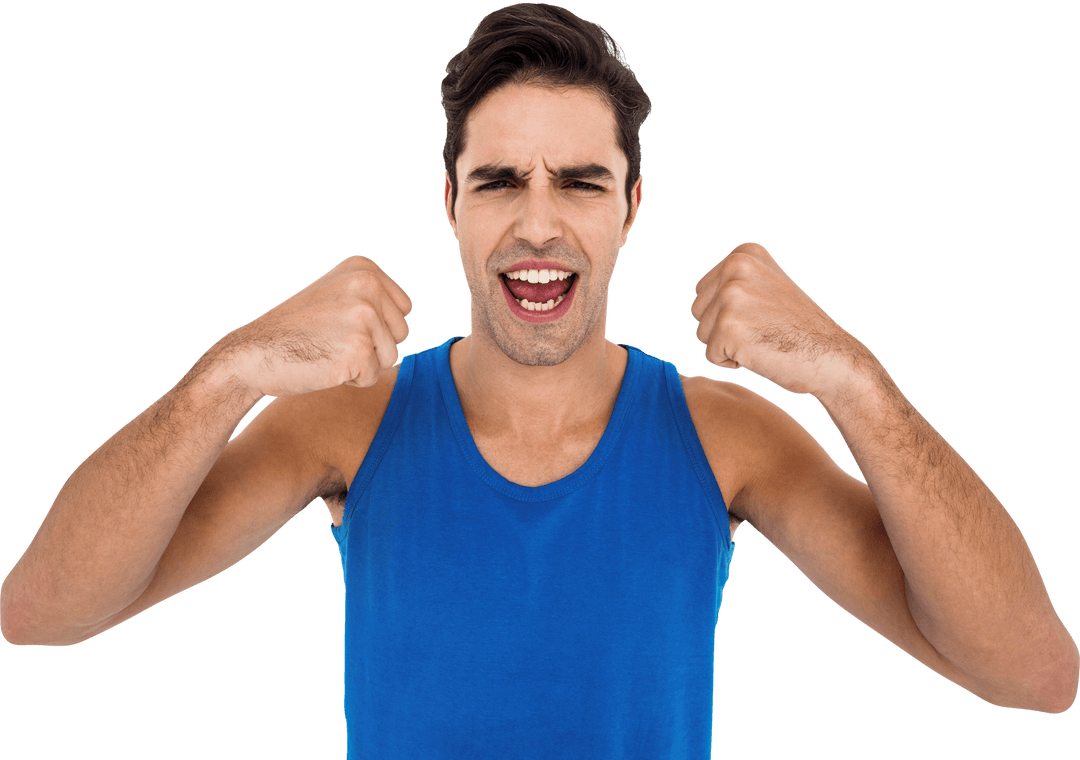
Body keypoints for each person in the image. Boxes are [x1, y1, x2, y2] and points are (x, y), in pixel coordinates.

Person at [1, 2, 1076, 757]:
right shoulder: (350, 426)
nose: (538, 222)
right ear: (451, 204)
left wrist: (859, 383)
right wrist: (227, 371)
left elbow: (1033, 675)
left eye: (580, 180)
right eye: (500, 179)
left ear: (632, 208)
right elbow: (44, 611)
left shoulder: (722, 440)